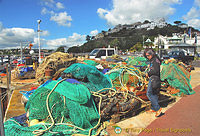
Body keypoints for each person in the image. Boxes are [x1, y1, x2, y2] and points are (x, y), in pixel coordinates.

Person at [144, 48, 162, 117]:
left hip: (154, 79)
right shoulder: (154, 60)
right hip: (155, 78)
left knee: (149, 94)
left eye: (148, 56)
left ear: (152, 54)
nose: (147, 57)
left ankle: (158, 108)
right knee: (154, 93)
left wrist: (148, 73)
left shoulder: (155, 61)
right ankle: (153, 108)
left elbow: (155, 71)